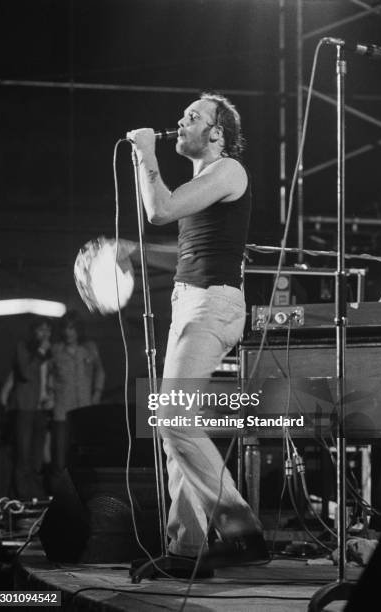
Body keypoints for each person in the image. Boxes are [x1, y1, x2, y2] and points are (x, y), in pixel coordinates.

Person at [128, 92, 268, 567]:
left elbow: (159, 211)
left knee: (173, 419)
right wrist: (133, 250)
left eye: (193, 117)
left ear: (217, 133)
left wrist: (146, 153)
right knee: (174, 433)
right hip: (191, 303)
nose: (180, 122)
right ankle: (187, 547)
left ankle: (241, 528)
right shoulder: (202, 181)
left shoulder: (228, 170)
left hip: (213, 304)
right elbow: (191, 246)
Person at [49, 310, 105, 490]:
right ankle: (58, 500)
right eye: (65, 328)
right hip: (62, 411)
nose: (68, 332)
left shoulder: (89, 348)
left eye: (72, 328)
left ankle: (83, 496)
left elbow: (100, 372)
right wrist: (48, 395)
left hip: (84, 409)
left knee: (84, 456)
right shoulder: (56, 350)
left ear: (78, 330)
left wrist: (96, 393)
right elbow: (47, 374)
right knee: (60, 458)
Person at [9, 317, 53, 499]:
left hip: (41, 409)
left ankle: (36, 496)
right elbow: (26, 372)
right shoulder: (24, 347)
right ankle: (22, 498)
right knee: (23, 455)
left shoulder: (50, 353)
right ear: (33, 332)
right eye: (41, 330)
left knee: (37, 457)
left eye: (48, 330)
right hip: (25, 407)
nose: (45, 334)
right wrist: (41, 352)